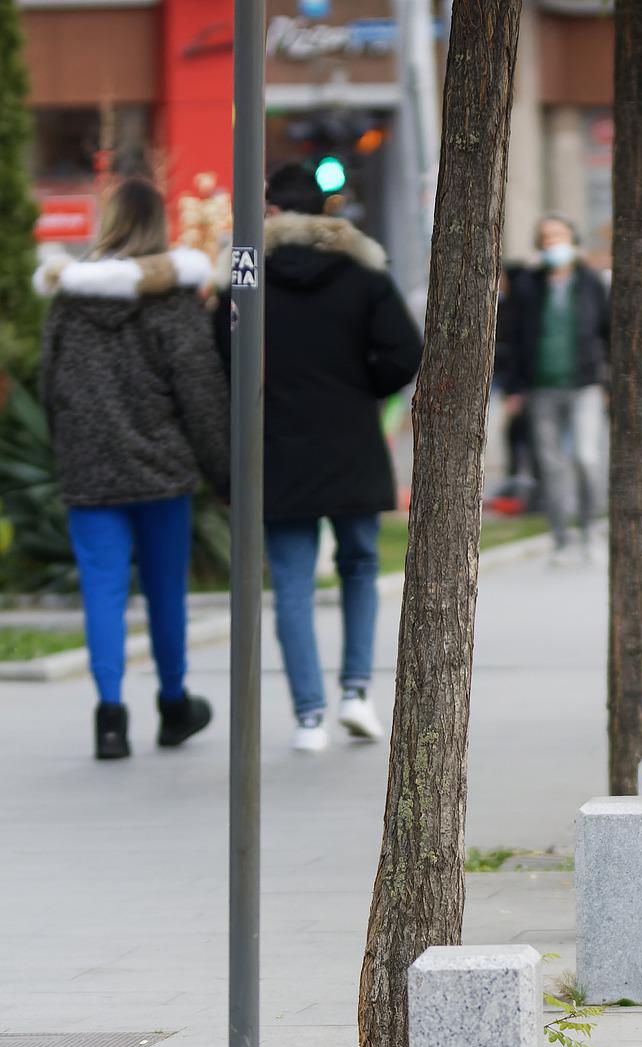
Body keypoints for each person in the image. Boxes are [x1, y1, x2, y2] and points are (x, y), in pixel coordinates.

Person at [215, 162, 423, 753]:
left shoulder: (247, 280)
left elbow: (223, 355)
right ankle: (356, 691)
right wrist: (362, 388)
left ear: (272, 212)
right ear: (326, 212)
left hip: (277, 448)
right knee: (359, 568)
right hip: (351, 442)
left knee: (292, 583)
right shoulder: (363, 277)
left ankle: (309, 716)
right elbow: (405, 354)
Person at [34, 177, 227, 760]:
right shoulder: (170, 300)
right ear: (157, 225)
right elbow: (201, 395)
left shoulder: (68, 299)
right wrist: (227, 477)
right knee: (166, 590)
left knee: (104, 592)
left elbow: (49, 386)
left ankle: (110, 719)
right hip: (160, 472)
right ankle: (173, 706)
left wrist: (69, 445)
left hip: (90, 472)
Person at [501, 214, 611, 560]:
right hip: (540, 385)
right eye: (546, 239)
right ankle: (561, 535)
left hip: (585, 384)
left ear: (573, 241)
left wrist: (609, 380)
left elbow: (607, 331)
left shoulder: (590, 282)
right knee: (549, 464)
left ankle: (590, 525)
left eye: (559, 237)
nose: (553, 244)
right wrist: (514, 388)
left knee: (586, 456)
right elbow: (513, 337)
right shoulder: (528, 285)